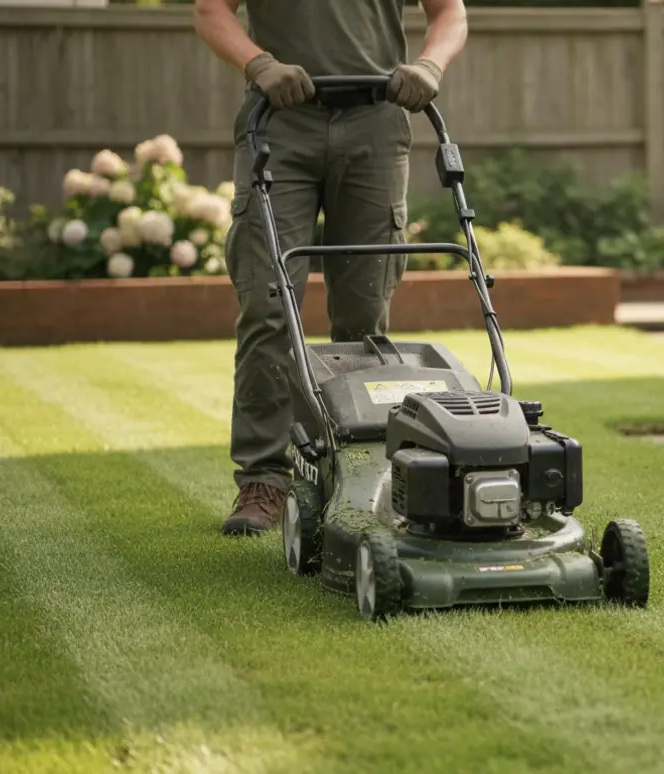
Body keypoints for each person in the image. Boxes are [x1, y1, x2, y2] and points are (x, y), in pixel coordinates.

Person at [192, 0, 468, 536]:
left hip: (376, 123)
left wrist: (429, 66)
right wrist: (260, 64)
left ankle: (357, 476)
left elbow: (449, 12)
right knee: (269, 307)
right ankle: (264, 479)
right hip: (279, 123)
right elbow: (210, 11)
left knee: (365, 324)